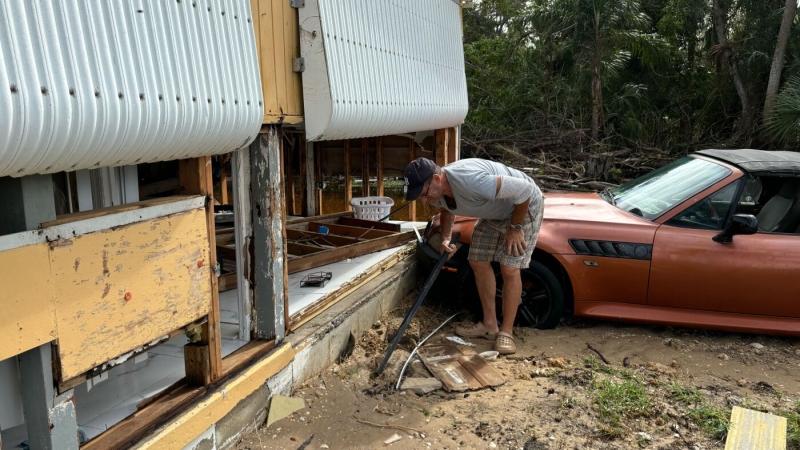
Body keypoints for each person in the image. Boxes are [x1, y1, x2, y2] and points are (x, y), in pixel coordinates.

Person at [404, 157, 544, 354]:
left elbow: (524, 190)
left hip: (523, 207)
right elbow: (447, 210)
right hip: (495, 213)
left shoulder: (471, 181)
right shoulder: (439, 191)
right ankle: (489, 325)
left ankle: (506, 332)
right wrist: (445, 238)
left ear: (436, 179)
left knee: (509, 267)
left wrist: (515, 228)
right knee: (477, 261)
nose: (424, 200)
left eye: (424, 194)